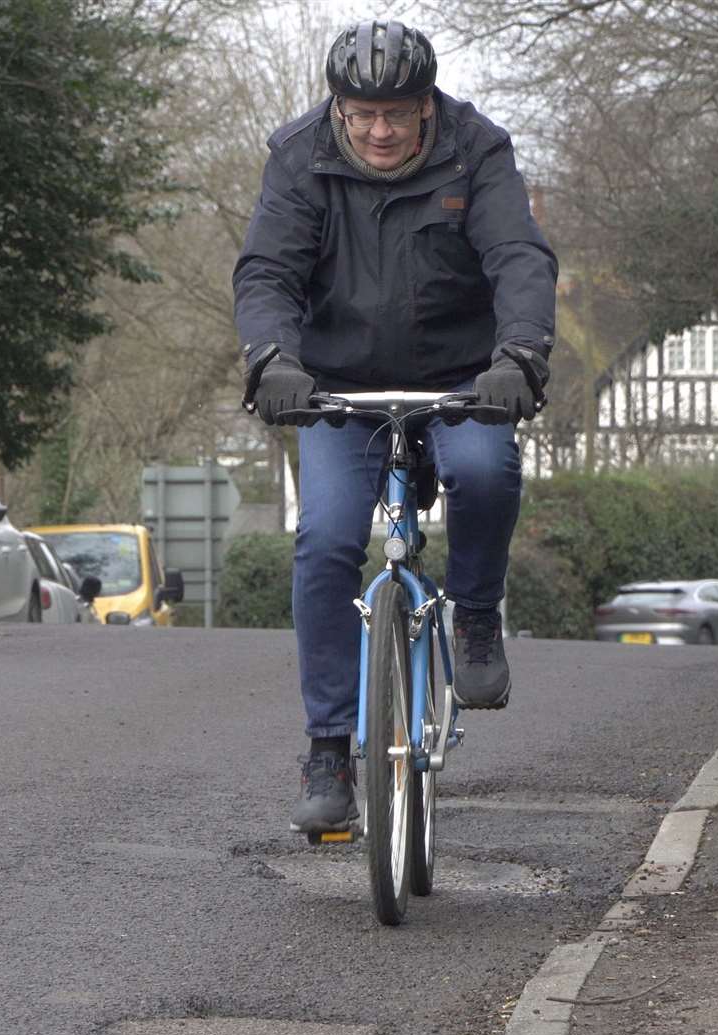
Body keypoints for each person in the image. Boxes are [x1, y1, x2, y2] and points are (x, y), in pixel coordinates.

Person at [232, 20, 557, 833]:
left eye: (397, 114)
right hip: (340, 388)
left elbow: (517, 255)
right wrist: (273, 359)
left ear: (426, 106)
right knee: (327, 541)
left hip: (461, 376)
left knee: (484, 471)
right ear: (339, 107)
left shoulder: (477, 149)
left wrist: (518, 356)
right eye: (360, 113)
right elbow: (268, 269)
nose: (378, 131)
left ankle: (477, 615)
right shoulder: (299, 155)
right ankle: (328, 749)